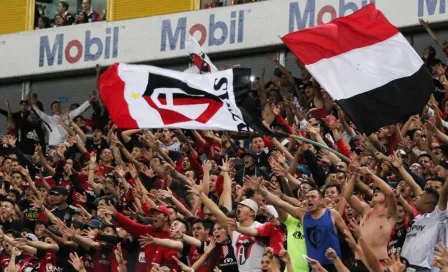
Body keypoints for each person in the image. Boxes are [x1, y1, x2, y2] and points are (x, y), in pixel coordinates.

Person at [27, 93, 93, 147]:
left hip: (67, 145)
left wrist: (89, 101)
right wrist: (31, 104)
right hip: (54, 146)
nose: (57, 108)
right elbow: (39, 112)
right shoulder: (49, 119)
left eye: (58, 106)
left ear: (61, 108)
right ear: (52, 110)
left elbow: (78, 111)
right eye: (55, 107)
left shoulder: (67, 116)